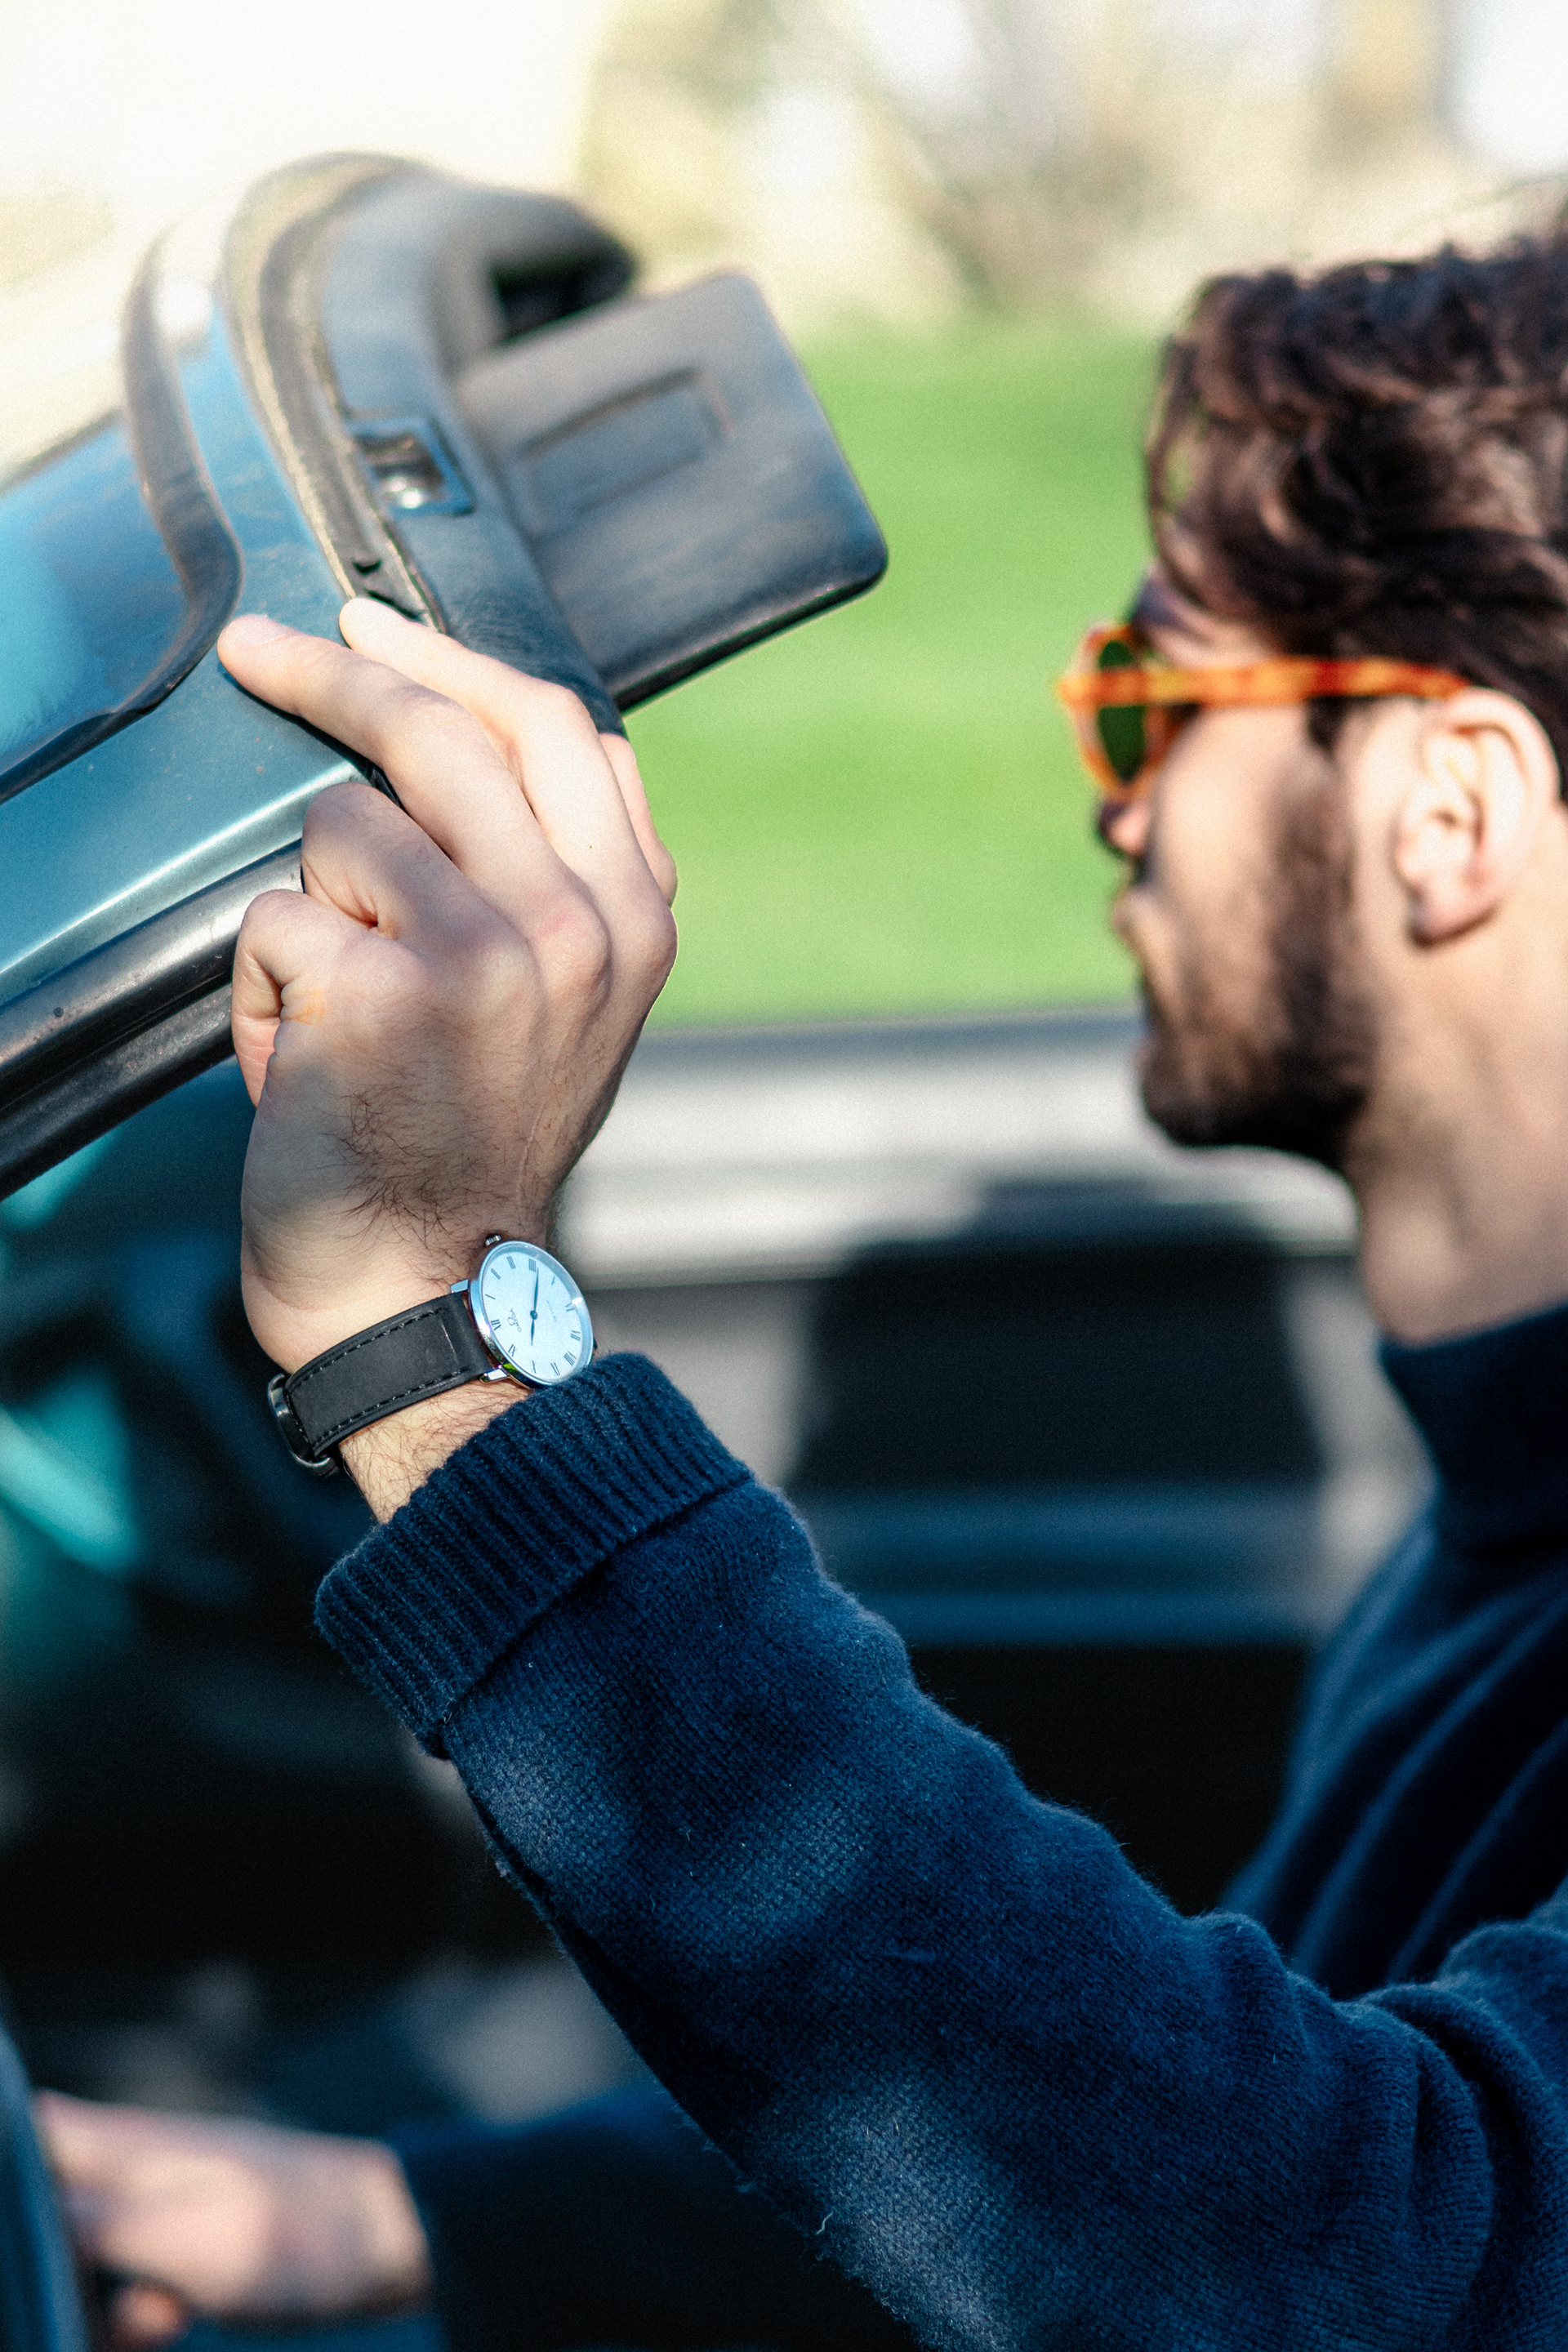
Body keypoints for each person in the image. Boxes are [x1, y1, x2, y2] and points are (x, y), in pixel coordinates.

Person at [39, 235, 1568, 2350]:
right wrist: (404, 2221)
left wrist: (436, 1331)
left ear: (1451, 809)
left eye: (1151, 697)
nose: (1115, 801)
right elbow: (1147, 2117)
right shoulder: (1504, 1521)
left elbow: (1346, 2263)